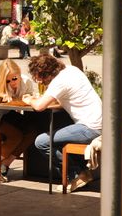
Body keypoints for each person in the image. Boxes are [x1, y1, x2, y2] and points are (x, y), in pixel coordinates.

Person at [23, 54, 102, 192]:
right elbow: (62, 100)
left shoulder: (59, 82)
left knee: (41, 142)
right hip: (101, 123)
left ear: (46, 74)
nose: (39, 82)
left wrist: (29, 100)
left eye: (39, 77)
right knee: (57, 135)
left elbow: (39, 106)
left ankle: (78, 174)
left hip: (90, 128)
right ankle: (81, 172)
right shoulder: (72, 70)